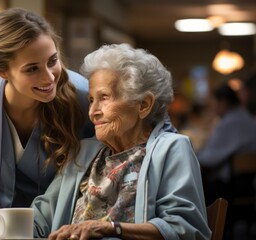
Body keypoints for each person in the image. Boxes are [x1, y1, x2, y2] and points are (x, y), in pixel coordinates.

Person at [32, 43, 211, 240]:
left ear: (143, 105)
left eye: (104, 98)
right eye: (91, 100)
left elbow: (186, 229)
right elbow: (41, 219)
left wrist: (109, 228)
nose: (93, 112)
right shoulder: (83, 152)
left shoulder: (172, 148)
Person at [0, 8, 94, 239]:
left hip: (67, 229)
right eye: (32, 69)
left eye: (52, 61)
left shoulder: (84, 98)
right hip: (4, 231)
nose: (50, 77)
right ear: (2, 71)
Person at [196, 83, 256, 205]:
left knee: (195, 186)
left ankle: (210, 222)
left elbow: (211, 159)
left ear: (222, 102)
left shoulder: (230, 122)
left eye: (213, 102)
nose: (212, 107)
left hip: (233, 186)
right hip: (249, 182)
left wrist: (191, 154)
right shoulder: (246, 117)